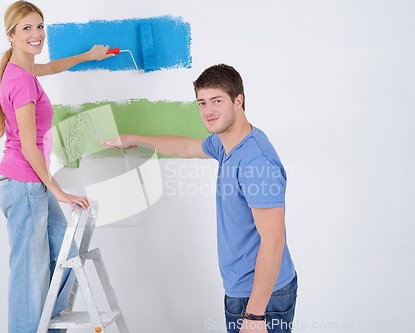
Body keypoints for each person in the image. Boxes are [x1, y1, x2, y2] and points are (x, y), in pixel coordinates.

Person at [109, 64, 297, 333]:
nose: (208, 111)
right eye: (202, 103)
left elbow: (274, 242)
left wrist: (254, 316)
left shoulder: (257, 162)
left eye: (217, 101)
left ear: (238, 100)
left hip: (262, 299)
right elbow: (186, 147)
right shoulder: (228, 143)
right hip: (243, 291)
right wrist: (134, 139)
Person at [0, 1, 113, 332]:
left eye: (39, 26)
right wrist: (59, 191)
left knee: (67, 257)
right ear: (11, 35)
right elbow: (29, 147)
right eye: (27, 28)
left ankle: (45, 326)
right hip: (24, 183)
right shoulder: (20, 80)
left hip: (32, 185)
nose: (36, 34)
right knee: (30, 275)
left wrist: (88, 56)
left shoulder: (24, 70)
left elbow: (53, 67)